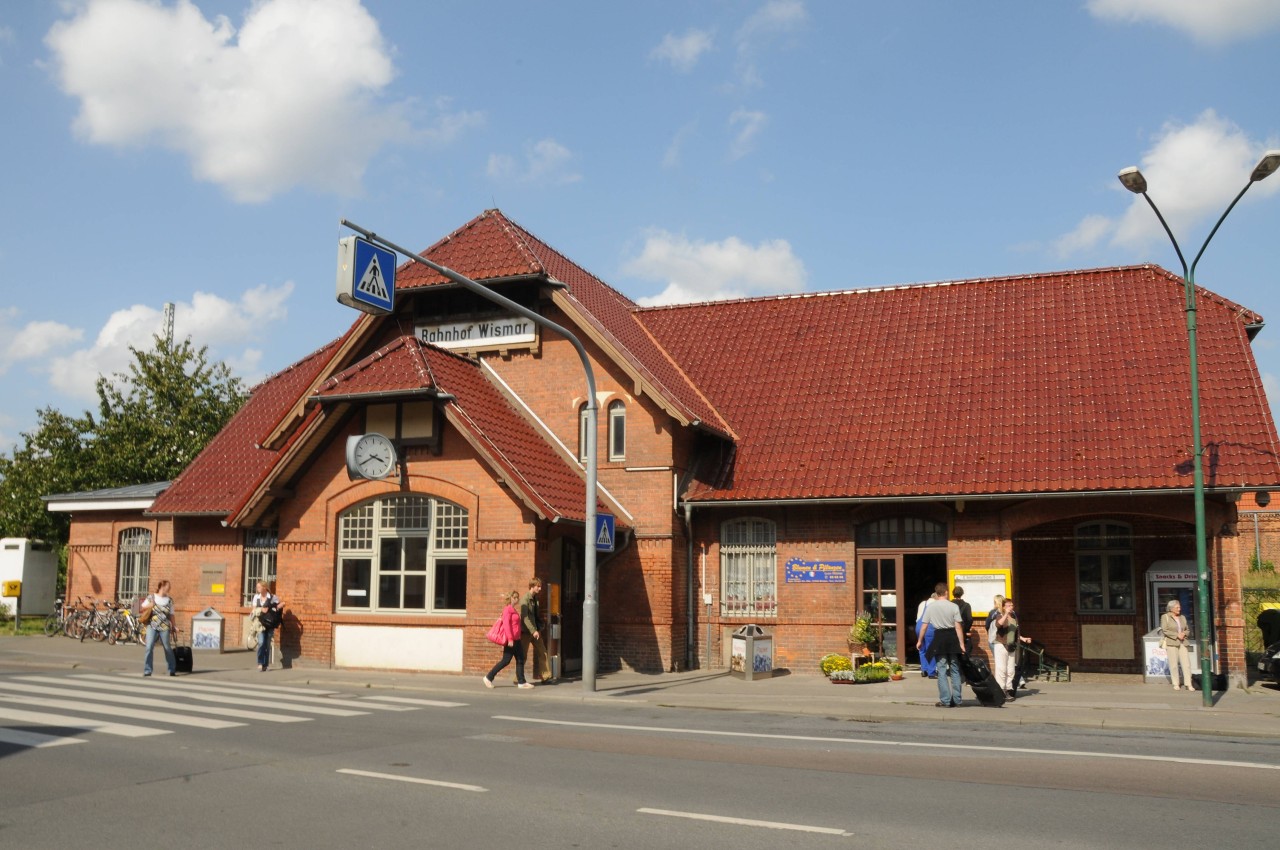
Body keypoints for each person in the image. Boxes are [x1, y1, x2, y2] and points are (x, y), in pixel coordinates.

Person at [917, 583, 966, 707]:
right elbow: (958, 627)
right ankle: (957, 700)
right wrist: (961, 643)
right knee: (954, 670)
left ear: (937, 593)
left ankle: (945, 700)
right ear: (946, 592)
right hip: (952, 638)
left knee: (942, 670)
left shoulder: (931, 607)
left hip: (939, 638)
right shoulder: (954, 606)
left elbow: (924, 626)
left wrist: (919, 640)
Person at [483, 591, 532, 689]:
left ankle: (521, 682)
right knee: (505, 661)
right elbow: (506, 625)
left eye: (517, 597)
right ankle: (488, 677)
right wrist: (510, 639)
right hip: (511, 640)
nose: (516, 599)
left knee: (520, 659)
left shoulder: (513, 610)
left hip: (516, 639)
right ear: (510, 598)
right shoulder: (507, 610)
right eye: (514, 597)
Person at [992, 597, 1033, 700]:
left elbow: (1015, 633)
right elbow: (998, 625)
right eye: (1008, 606)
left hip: (1011, 645)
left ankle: (1008, 689)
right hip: (1001, 645)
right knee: (1001, 669)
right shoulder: (999, 616)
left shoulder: (1014, 617)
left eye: (1012, 605)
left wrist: (1023, 639)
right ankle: (1001, 690)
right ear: (1003, 607)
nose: (1011, 607)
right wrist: (1005, 614)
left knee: (1011, 670)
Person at [140, 580, 176, 677]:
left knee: (167, 648)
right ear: (162, 587)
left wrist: (174, 626)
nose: (169, 588)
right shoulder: (151, 597)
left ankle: (171, 669)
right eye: (168, 586)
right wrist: (150, 605)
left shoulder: (169, 600)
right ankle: (148, 670)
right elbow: (141, 607)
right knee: (149, 647)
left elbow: (172, 614)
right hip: (152, 626)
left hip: (165, 627)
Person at [518, 577, 551, 684]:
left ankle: (545, 676)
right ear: (532, 586)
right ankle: (518, 677)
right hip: (526, 632)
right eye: (538, 586)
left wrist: (538, 628)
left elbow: (535, 616)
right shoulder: (525, 599)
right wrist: (533, 630)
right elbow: (525, 617)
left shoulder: (535, 599)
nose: (540, 588)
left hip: (535, 631)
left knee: (543, 652)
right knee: (523, 655)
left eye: (540, 586)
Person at [1161, 599, 1192, 691]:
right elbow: (1165, 630)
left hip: (1182, 642)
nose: (1179, 609)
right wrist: (1176, 635)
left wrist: (1184, 634)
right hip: (1172, 643)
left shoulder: (1182, 617)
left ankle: (1188, 683)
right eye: (1177, 607)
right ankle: (1176, 683)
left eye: (1179, 607)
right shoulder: (1165, 617)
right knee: (1173, 664)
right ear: (1171, 608)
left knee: (1186, 664)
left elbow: (1187, 629)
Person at [251, 581, 282, 672]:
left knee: (267, 644)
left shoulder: (272, 597)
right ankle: (260, 663)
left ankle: (266, 664)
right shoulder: (256, 597)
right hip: (260, 624)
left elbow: (278, 606)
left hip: (269, 624)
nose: (258, 589)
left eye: (259, 587)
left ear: (265, 587)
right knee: (261, 642)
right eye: (257, 587)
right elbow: (253, 610)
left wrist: (280, 605)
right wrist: (261, 609)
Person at [915, 594, 937, 678]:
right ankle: (931, 672)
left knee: (922, 649)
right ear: (936, 597)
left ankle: (924, 670)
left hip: (918, 626)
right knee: (931, 649)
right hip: (929, 627)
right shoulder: (935, 604)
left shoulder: (922, 603)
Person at [952, 585, 973, 654]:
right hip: (963, 632)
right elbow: (969, 619)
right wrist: (966, 629)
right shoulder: (966, 605)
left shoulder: (949, 604)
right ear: (962, 594)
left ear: (953, 593)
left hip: (951, 631)